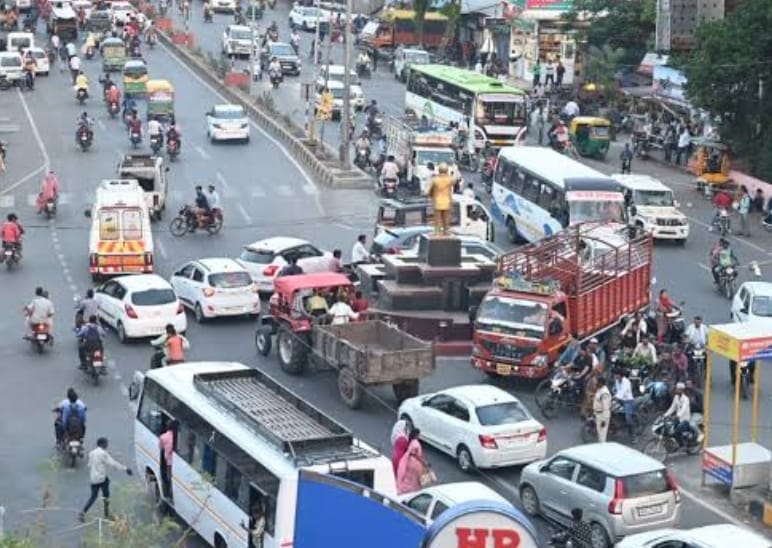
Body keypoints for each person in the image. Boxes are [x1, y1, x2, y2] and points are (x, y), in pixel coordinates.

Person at [79, 437, 133, 522]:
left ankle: (82, 512)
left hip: (93, 478)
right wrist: (125, 469)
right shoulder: (103, 453)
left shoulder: (91, 453)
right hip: (101, 478)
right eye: (106, 443)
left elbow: (89, 465)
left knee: (93, 497)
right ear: (103, 444)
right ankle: (106, 514)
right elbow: (113, 463)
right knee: (106, 496)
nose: (107, 445)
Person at [396, 428, 428, 494]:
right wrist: (424, 462)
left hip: (410, 461)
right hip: (415, 463)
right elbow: (417, 455)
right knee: (415, 480)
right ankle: (411, 493)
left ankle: (402, 490)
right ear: (416, 435)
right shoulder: (416, 444)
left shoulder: (411, 442)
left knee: (408, 478)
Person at [426, 163, 454, 236]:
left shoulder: (435, 180)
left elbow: (430, 190)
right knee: (446, 219)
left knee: (437, 220)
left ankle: (437, 232)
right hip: (447, 202)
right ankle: (446, 231)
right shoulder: (450, 179)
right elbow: (455, 180)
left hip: (438, 202)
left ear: (439, 170)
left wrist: (430, 195)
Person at [613, 369, 636, 440]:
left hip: (628, 401)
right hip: (620, 400)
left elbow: (622, 392)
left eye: (616, 375)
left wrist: (614, 397)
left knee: (628, 418)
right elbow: (616, 390)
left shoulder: (626, 382)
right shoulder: (617, 381)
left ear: (620, 376)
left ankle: (633, 435)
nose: (615, 376)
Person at [159, 419, 177, 499]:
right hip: (176, 461)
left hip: (168, 461)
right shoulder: (177, 437)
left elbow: (161, 447)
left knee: (169, 477)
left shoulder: (163, 437)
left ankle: (169, 493)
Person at [592, 376, 611, 443]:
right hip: (598, 414)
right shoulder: (600, 389)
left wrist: (604, 420)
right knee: (599, 434)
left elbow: (606, 408)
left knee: (602, 436)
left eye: (597, 382)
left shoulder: (604, 393)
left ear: (600, 383)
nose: (596, 383)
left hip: (602, 415)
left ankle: (602, 449)